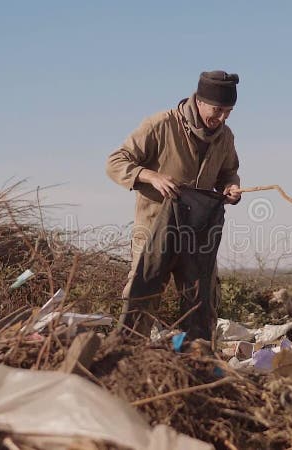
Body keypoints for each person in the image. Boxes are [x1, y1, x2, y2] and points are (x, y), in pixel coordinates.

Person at [106, 70, 242, 341]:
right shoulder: (161, 124)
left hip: (198, 233)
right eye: (218, 110)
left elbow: (229, 172)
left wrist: (231, 186)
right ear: (200, 101)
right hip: (154, 227)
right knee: (142, 293)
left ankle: (198, 361)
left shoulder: (225, 137)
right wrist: (150, 176)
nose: (222, 118)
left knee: (201, 299)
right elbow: (116, 162)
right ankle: (126, 356)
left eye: (229, 112)